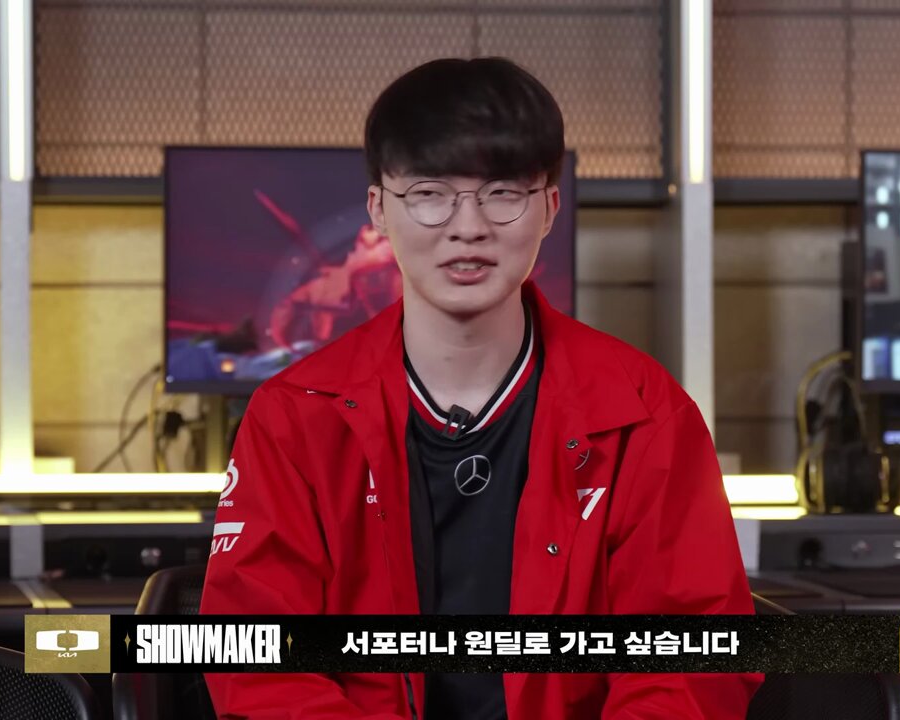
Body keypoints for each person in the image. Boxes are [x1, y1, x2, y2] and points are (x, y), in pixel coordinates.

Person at [201, 57, 761, 719]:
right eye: (429, 193)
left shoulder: (644, 413)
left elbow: (692, 658)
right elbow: (256, 657)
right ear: (378, 209)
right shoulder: (294, 416)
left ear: (549, 207)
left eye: (502, 192)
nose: (468, 226)